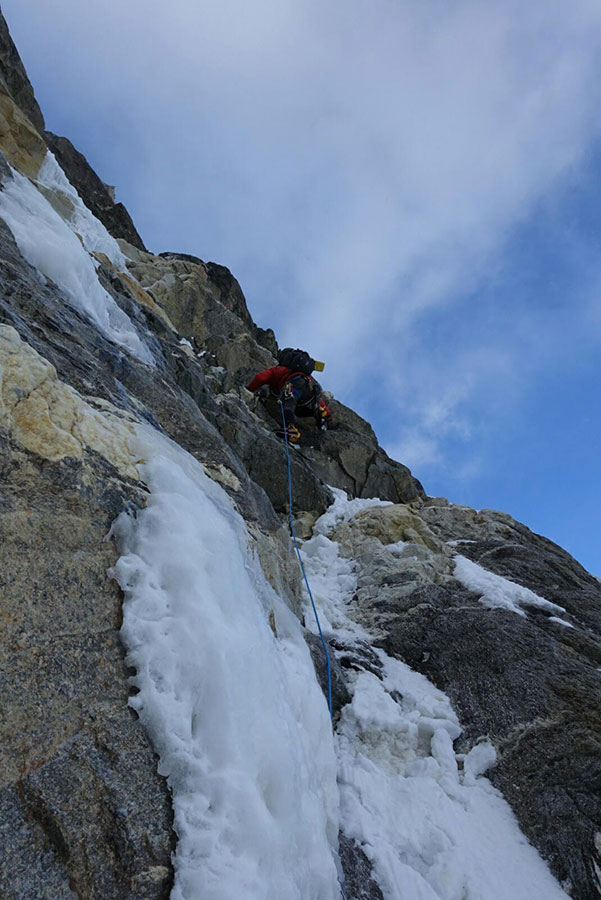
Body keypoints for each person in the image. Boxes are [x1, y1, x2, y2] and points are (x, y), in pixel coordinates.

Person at [247, 355, 331, 443]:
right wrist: (328, 415)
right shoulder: (308, 376)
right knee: (305, 409)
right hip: (308, 393)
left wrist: (250, 389)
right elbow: (319, 397)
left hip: (294, 385)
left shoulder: (280, 370)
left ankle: (291, 428)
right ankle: (322, 416)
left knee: (287, 405)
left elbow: (260, 377)